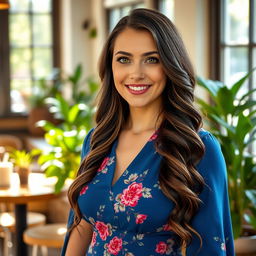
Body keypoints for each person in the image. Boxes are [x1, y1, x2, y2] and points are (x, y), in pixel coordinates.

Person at [62, 8, 235, 256]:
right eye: (124, 59)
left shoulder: (198, 149)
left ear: (170, 66)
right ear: (110, 67)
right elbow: (81, 224)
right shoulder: (97, 140)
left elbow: (210, 247)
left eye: (152, 59)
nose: (136, 73)